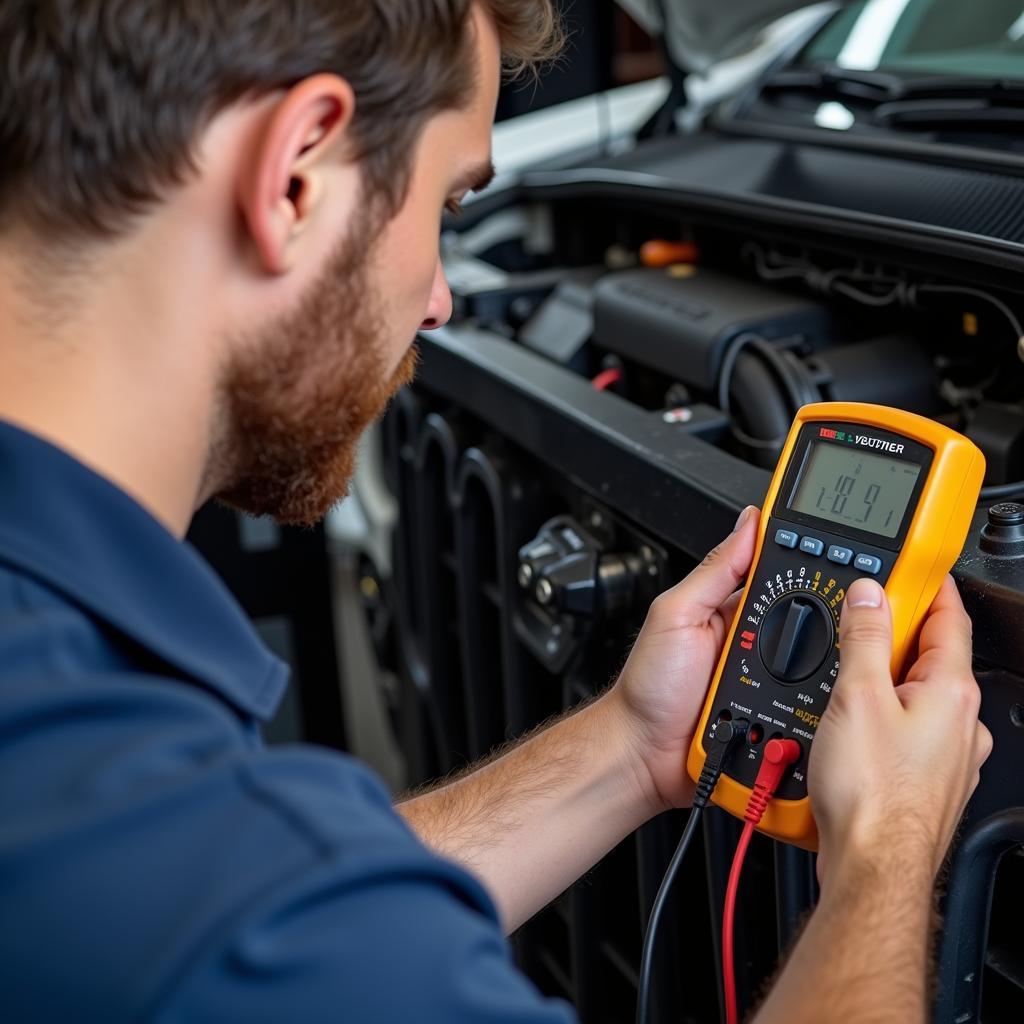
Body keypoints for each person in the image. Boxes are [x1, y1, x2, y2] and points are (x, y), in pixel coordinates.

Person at [0, 2, 990, 1021]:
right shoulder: (144, 853)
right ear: (294, 172)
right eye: (446, 205)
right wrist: (885, 849)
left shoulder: (80, 755)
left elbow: (282, 910)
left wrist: (632, 747)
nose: (439, 299)